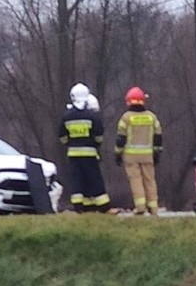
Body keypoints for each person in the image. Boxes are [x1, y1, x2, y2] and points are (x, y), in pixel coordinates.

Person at [58, 83, 112, 212]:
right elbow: (99, 135)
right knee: (94, 179)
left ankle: (79, 206)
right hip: (89, 153)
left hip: (73, 155)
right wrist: (95, 144)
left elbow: (62, 136)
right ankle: (103, 206)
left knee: (77, 180)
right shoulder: (92, 116)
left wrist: (69, 144)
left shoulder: (67, 116)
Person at [114, 86, 163, 215]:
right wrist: (157, 152)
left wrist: (118, 153)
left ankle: (140, 207)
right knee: (150, 180)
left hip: (130, 156)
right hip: (148, 155)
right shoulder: (151, 117)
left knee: (136, 180)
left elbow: (121, 139)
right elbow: (158, 137)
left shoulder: (126, 118)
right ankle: (154, 208)